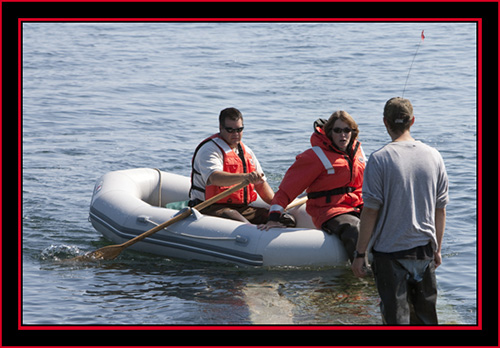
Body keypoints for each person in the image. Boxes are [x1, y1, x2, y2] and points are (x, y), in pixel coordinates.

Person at [351, 97, 449, 325]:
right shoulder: (434, 156)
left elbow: (370, 211)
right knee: (426, 320)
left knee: (396, 321)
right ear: (412, 121)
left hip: (390, 254)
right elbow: (440, 209)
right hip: (424, 251)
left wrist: (360, 253)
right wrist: (438, 249)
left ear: (385, 122)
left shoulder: (379, 158)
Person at [258, 110, 366, 262]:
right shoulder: (314, 157)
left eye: (347, 130)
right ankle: (360, 269)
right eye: (337, 130)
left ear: (353, 132)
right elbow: (287, 188)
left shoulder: (358, 152)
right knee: (353, 227)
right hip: (329, 210)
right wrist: (274, 217)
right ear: (329, 132)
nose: (343, 135)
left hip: (356, 205)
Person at [189, 107, 275, 224]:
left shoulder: (247, 152)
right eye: (230, 130)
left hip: (242, 208)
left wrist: (278, 206)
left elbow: (260, 184)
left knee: (284, 219)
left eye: (239, 130)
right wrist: (245, 177)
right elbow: (214, 178)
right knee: (240, 223)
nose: (236, 134)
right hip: (209, 206)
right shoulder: (209, 150)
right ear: (220, 128)